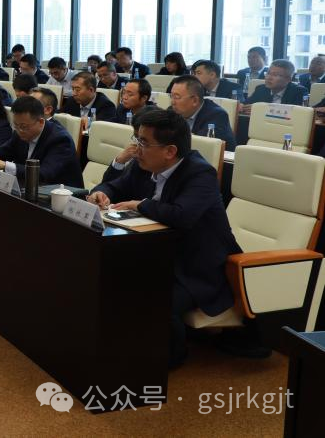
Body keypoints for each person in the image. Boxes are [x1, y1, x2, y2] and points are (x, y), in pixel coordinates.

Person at [87, 108, 241, 367]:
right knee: (109, 280)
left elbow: (182, 215)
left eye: (143, 142)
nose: (136, 148)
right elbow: (114, 186)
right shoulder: (144, 164)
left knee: (151, 297)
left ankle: (168, 358)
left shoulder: (199, 173)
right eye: (136, 139)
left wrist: (140, 204)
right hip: (157, 255)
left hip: (195, 268)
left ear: (170, 151)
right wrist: (100, 194)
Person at [0, 95, 83, 187]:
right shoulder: (19, 132)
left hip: (62, 196)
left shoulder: (60, 140)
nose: (19, 130)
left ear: (41, 122)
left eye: (23, 126)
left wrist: (3, 165)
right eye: (16, 125)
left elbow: (44, 174)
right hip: (27, 189)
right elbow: (2, 152)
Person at [169, 75, 236, 149]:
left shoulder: (217, 115)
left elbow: (202, 144)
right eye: (171, 96)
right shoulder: (172, 111)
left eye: (177, 97)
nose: (172, 102)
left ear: (195, 100)